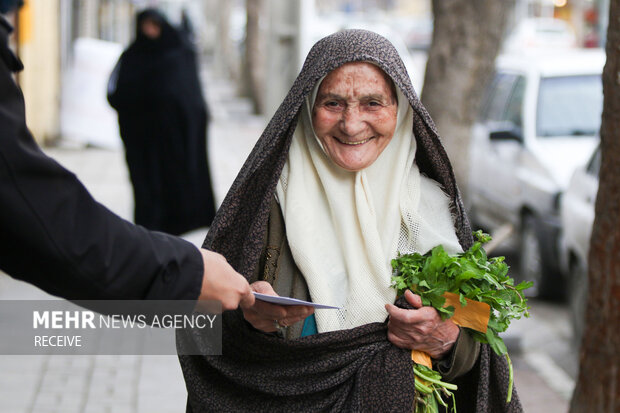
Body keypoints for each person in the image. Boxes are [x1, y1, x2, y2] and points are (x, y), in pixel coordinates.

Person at [177, 30, 522, 412]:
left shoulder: (431, 207)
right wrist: (247, 320)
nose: (351, 124)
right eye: (333, 103)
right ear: (307, 107)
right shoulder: (264, 206)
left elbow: (477, 335)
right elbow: (197, 329)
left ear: (402, 109)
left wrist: (448, 338)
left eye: (373, 103)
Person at [0, 13, 253, 310]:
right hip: (143, 145)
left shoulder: (177, 53)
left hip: (172, 147)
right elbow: (35, 211)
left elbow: (191, 105)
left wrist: (185, 270)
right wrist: (187, 273)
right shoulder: (134, 55)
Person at [108, 8, 216, 236]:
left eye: (154, 26)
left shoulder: (179, 53)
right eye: (145, 26)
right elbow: (117, 94)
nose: (150, 31)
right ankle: (150, 229)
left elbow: (191, 98)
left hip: (175, 137)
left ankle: (176, 227)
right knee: (147, 188)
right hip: (143, 138)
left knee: (176, 183)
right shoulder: (132, 56)